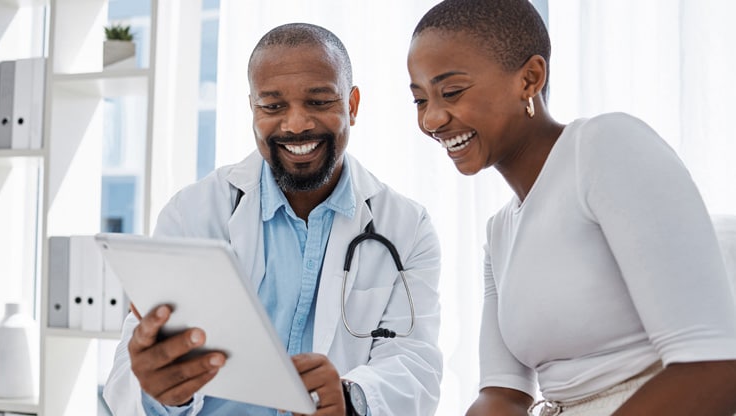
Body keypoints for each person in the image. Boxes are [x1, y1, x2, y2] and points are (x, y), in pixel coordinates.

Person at [406, 1, 736, 415]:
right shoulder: (500, 231)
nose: (432, 120)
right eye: (420, 100)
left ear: (530, 78)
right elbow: (503, 395)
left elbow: (714, 367)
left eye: (451, 92)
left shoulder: (605, 147)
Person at [103, 23, 443, 416]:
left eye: (318, 102)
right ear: (252, 109)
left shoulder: (406, 227)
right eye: (273, 106)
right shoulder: (191, 214)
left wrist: (351, 399)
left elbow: (415, 365)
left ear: (351, 105)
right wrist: (165, 391)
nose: (296, 124)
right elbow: (127, 378)